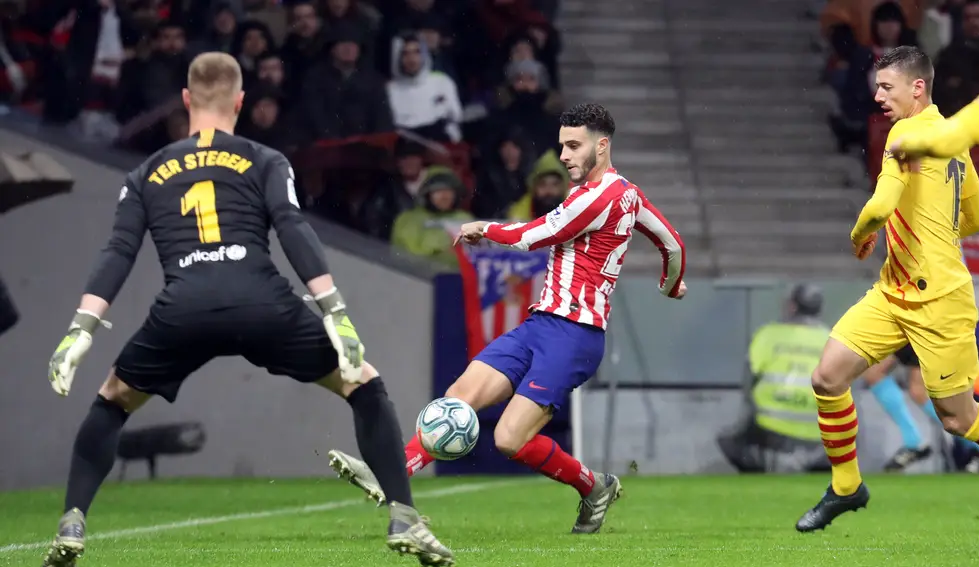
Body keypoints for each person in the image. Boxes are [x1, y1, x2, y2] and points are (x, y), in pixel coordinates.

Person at [40, 52, 453, 567]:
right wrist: (336, 312)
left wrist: (82, 329)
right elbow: (293, 228)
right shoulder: (265, 159)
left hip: (184, 309)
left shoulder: (145, 172)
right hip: (263, 304)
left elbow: (119, 251)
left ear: (187, 100)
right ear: (240, 101)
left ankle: (74, 519)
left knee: (111, 401)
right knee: (364, 385)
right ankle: (404, 516)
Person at [326, 103, 687, 534]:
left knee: (509, 440)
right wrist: (670, 284)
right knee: (458, 396)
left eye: (574, 146)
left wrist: (485, 227)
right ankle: (391, 475)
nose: (565, 156)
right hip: (540, 326)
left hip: (576, 336)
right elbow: (672, 243)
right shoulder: (623, 194)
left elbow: (538, 235)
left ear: (602, 145)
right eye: (562, 146)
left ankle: (594, 487)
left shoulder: (603, 196)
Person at [796, 46, 979, 533]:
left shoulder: (905, 132)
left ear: (917, 87)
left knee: (959, 419)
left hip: (940, 300)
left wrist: (860, 234)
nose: (877, 95)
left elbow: (881, 204)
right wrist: (935, 236)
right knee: (828, 377)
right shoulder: (952, 140)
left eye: (886, 87)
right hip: (894, 291)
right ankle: (846, 486)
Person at [716, 284, 831, 474]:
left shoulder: (768, 334)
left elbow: (748, 382)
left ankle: (758, 477)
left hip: (771, 427)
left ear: (792, 306)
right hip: (818, 431)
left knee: (731, 442)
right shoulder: (831, 339)